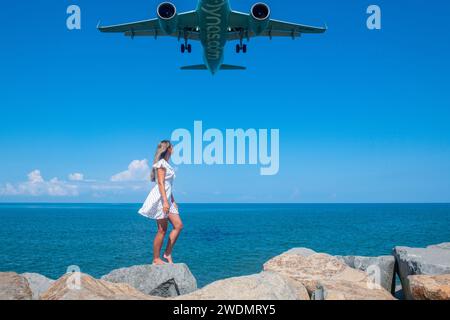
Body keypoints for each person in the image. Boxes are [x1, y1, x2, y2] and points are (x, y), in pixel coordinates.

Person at [138, 140, 184, 265]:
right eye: (172, 147)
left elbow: (168, 185)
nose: (173, 149)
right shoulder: (161, 164)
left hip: (168, 198)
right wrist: (164, 202)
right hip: (161, 199)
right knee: (162, 230)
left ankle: (167, 253)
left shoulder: (167, 164)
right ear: (168, 149)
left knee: (178, 225)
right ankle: (156, 259)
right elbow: (161, 183)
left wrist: (172, 201)